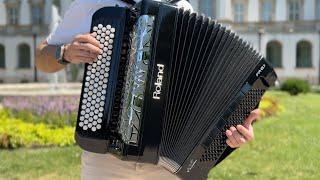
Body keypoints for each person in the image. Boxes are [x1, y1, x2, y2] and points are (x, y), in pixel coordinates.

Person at [36, 0, 260, 179]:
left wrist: (230, 136)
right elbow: (41, 57)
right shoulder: (93, 4)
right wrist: (64, 52)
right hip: (106, 161)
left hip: (169, 164)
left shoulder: (182, 9)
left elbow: (204, 97)